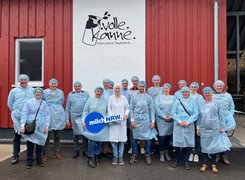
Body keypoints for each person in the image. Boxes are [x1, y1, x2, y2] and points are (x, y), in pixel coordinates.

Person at [197, 87, 232, 173]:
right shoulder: (201, 104)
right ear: (203, 94)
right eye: (205, 93)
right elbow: (199, 117)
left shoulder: (217, 103)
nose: (207, 94)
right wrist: (198, 127)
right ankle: (204, 164)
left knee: (214, 146)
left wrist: (222, 127)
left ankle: (213, 165)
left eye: (208, 93)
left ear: (211, 93)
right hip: (204, 128)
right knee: (204, 146)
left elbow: (221, 116)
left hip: (215, 128)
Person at [20, 88, 50, 169]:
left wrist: (47, 126)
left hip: (41, 126)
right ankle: (29, 161)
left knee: (40, 143)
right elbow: (24, 113)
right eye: (36, 92)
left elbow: (47, 115)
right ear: (34, 93)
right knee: (30, 144)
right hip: (31, 125)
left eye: (40, 92)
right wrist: (22, 125)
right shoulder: (29, 102)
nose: (38, 93)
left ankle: (39, 160)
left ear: (42, 94)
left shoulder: (44, 103)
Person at [7, 74, 34, 165]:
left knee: (30, 137)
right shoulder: (14, 91)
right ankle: (15, 155)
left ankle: (29, 158)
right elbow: (10, 104)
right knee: (17, 136)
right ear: (19, 81)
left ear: (28, 80)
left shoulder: (32, 90)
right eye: (21, 80)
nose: (23, 81)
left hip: (29, 118)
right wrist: (16, 112)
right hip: (18, 117)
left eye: (25, 80)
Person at [171, 86, 198, 170]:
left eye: (186, 92)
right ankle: (176, 160)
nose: (184, 93)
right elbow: (173, 112)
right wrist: (179, 121)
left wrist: (188, 122)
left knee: (188, 143)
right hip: (178, 125)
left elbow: (196, 113)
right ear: (181, 93)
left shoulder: (193, 102)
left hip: (188, 125)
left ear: (188, 92)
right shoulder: (177, 101)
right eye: (183, 92)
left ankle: (186, 161)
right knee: (177, 144)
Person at [129, 81, 156, 165]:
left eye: (143, 86)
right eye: (140, 86)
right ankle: (134, 154)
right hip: (136, 119)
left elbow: (152, 109)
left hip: (146, 119)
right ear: (138, 87)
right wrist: (132, 120)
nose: (141, 88)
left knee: (147, 138)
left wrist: (152, 121)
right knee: (134, 138)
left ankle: (147, 155)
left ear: (144, 87)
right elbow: (131, 109)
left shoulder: (148, 97)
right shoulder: (134, 97)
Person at [82, 87, 108, 168]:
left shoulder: (104, 101)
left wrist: (106, 119)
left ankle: (97, 156)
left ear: (102, 93)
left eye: (100, 91)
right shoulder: (90, 100)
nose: (99, 93)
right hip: (91, 123)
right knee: (92, 141)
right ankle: (90, 158)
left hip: (101, 123)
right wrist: (83, 121)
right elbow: (85, 111)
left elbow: (107, 112)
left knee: (99, 141)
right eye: (98, 91)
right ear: (95, 91)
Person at [42, 78, 66, 161]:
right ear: (49, 84)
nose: (53, 85)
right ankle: (44, 153)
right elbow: (42, 101)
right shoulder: (45, 92)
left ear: (57, 84)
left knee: (57, 135)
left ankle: (57, 152)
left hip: (58, 114)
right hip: (48, 113)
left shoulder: (60, 92)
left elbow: (62, 101)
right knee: (47, 136)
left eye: (55, 83)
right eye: (52, 83)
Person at [213, 80, 235, 165]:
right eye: (217, 86)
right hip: (215, 120)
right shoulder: (212, 95)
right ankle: (217, 154)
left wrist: (230, 116)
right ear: (214, 87)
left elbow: (231, 107)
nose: (219, 87)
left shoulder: (228, 96)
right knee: (216, 137)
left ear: (223, 87)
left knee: (224, 137)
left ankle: (223, 155)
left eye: (220, 86)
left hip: (225, 120)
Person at [65, 81, 90, 158]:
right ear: (74, 87)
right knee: (75, 134)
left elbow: (89, 105)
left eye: (78, 86)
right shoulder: (70, 95)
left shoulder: (86, 94)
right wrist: (67, 119)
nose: (77, 87)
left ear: (81, 86)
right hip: (74, 117)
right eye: (75, 86)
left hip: (84, 116)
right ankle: (76, 150)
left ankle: (85, 150)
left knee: (85, 134)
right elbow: (67, 107)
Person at [108, 85, 129, 165]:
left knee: (121, 140)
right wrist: (111, 118)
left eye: (118, 89)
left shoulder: (124, 98)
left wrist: (126, 115)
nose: (117, 90)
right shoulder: (110, 98)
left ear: (120, 90)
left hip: (122, 122)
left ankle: (120, 157)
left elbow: (127, 108)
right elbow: (109, 108)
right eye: (116, 89)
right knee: (114, 140)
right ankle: (115, 156)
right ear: (114, 89)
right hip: (113, 122)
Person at [154, 83, 175, 162]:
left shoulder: (173, 98)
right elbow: (157, 108)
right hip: (161, 120)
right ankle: (161, 153)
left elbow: (175, 107)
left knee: (168, 137)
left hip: (170, 119)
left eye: (167, 88)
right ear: (163, 89)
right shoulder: (159, 98)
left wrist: (171, 116)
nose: (166, 90)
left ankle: (166, 152)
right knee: (162, 137)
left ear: (169, 89)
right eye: (164, 88)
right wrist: (163, 116)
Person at [128, 75, 145, 155]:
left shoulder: (143, 91)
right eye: (133, 81)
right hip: (134, 114)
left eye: (136, 81)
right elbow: (129, 103)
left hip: (142, 114)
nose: (135, 82)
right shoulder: (130, 91)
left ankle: (142, 147)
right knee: (133, 132)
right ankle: (132, 147)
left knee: (142, 131)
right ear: (132, 82)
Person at [188, 82, 204, 163]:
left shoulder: (200, 97)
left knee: (197, 136)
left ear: (197, 88)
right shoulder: (187, 96)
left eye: (195, 87)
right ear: (189, 88)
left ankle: (196, 153)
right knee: (190, 137)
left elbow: (201, 110)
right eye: (192, 87)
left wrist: (198, 124)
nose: (193, 88)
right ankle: (190, 152)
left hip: (197, 119)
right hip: (188, 120)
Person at [147, 75, 163, 154]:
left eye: (157, 80)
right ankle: (152, 147)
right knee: (152, 129)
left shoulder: (162, 89)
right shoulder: (149, 89)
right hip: (152, 111)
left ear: (160, 81)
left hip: (160, 111)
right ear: (153, 81)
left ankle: (160, 148)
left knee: (161, 130)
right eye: (155, 80)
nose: (156, 81)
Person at [101, 78, 113, 156]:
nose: (106, 84)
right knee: (103, 130)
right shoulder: (100, 91)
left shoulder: (112, 92)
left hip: (110, 113)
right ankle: (103, 148)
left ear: (109, 84)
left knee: (110, 130)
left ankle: (108, 147)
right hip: (102, 113)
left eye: (107, 83)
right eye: (104, 83)